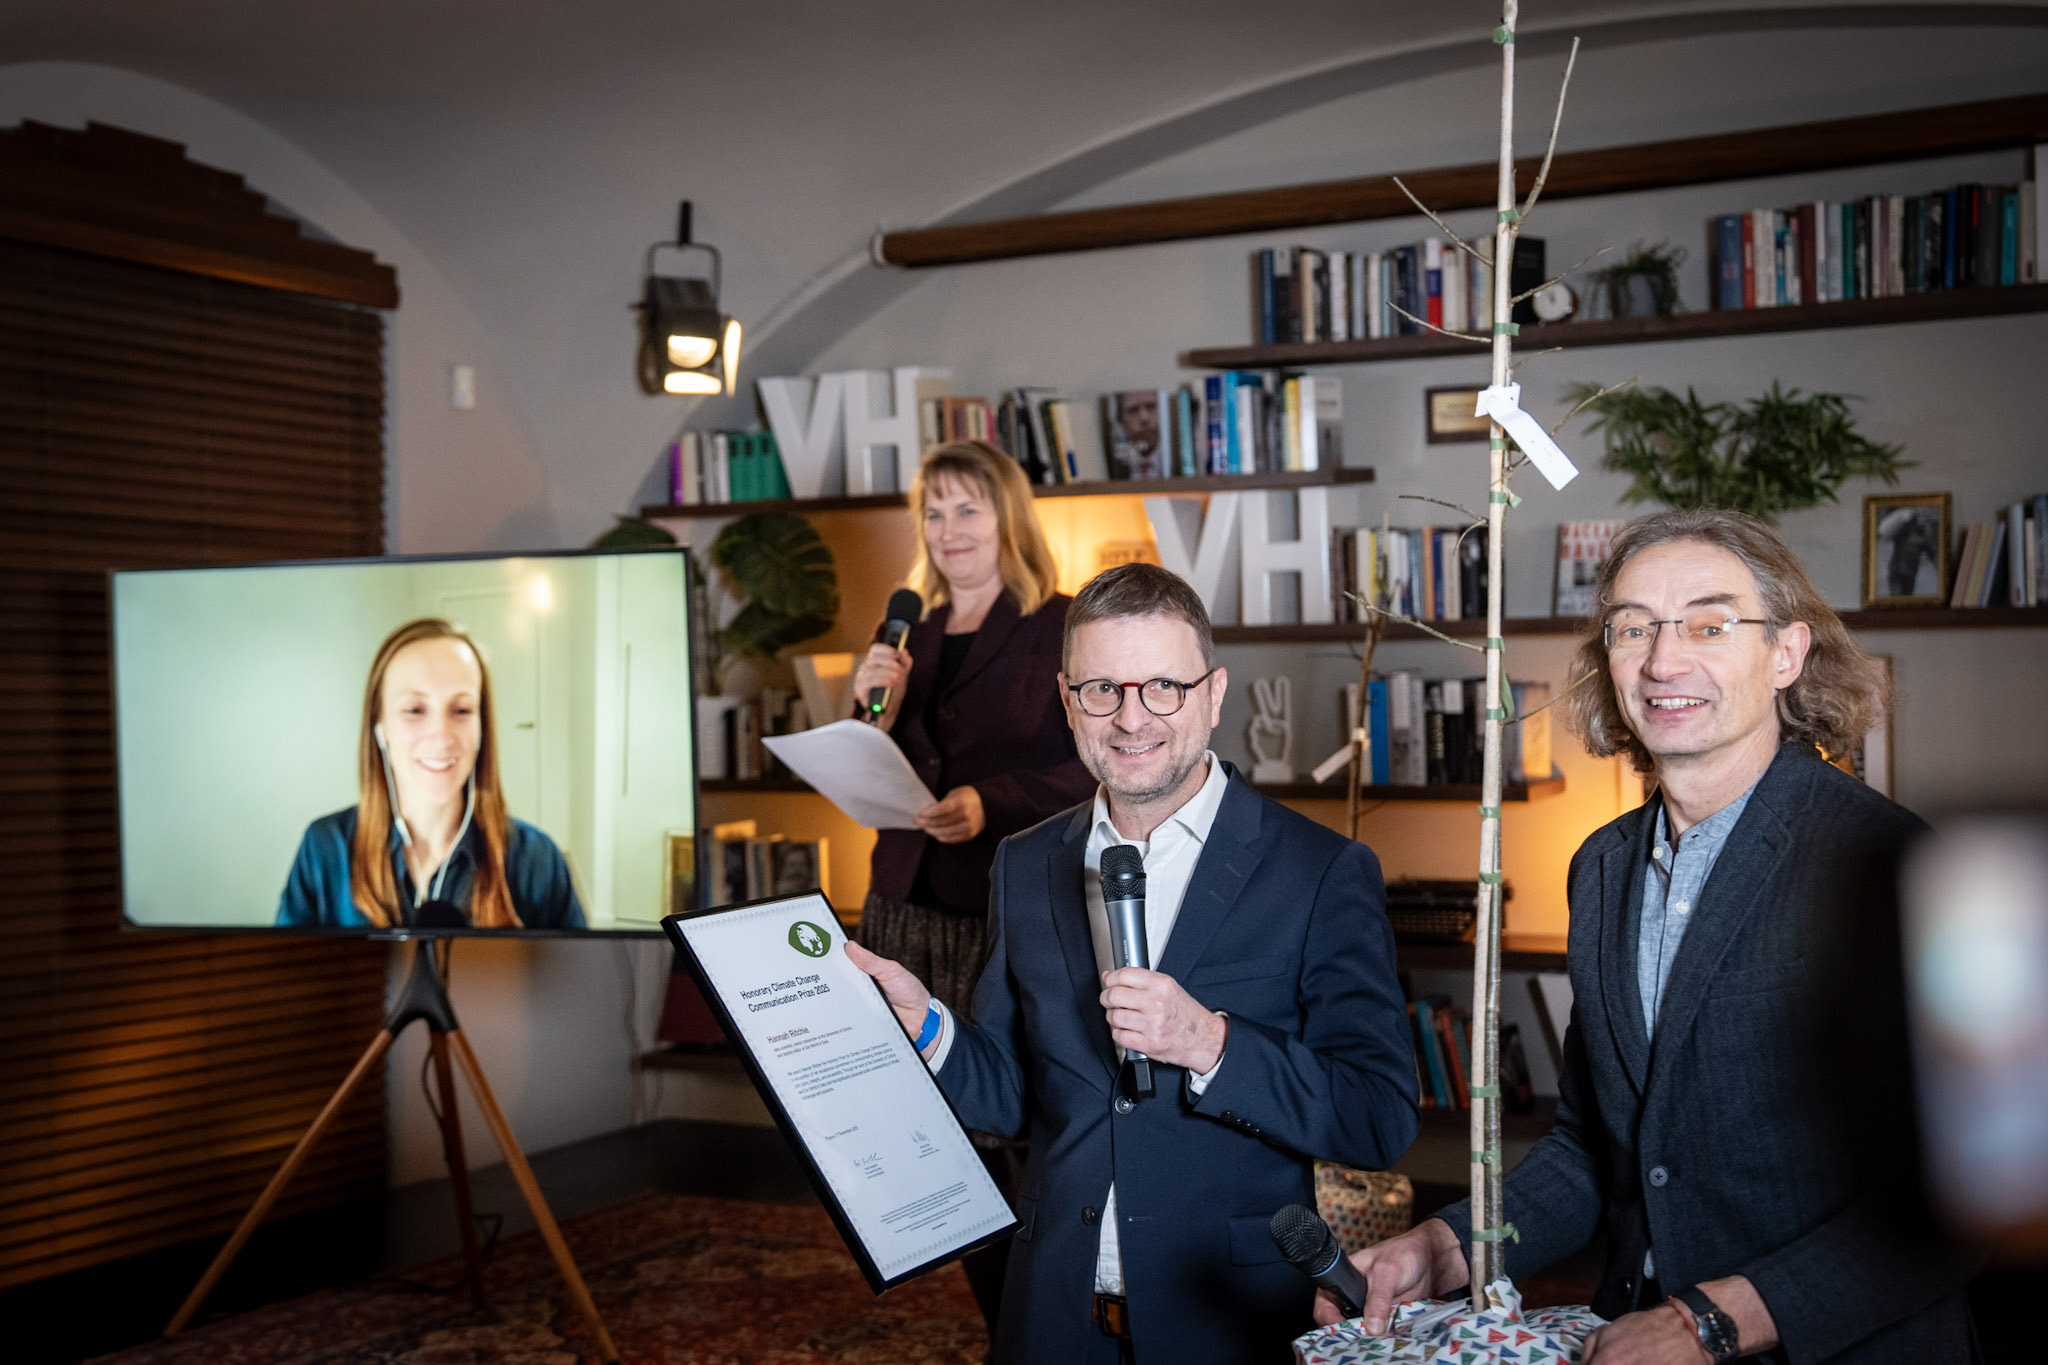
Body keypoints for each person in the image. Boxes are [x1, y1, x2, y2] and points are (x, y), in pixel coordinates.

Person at [1318, 509, 1978, 1362]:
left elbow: (1963, 1193)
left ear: (1786, 653)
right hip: (1630, 1336)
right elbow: (1593, 1149)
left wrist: (1710, 1321)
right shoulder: (1601, 867)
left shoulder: (1889, 860)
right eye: (1634, 628)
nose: (1664, 661)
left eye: (1709, 625)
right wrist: (1449, 1247)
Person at [849, 563, 1419, 1365]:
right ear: (1066, 700)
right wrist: (929, 1028)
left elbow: (1378, 1115)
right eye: (1101, 690)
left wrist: (1211, 1043)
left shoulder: (1319, 870)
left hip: (1226, 1326)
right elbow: (1015, 1095)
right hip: (1052, 1319)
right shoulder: (1024, 861)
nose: (1130, 717)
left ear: (1214, 694)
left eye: (1163, 687)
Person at [852, 439, 1095, 1011]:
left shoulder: (1066, 625)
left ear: (1008, 518)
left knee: (987, 1061)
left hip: (1005, 903)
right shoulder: (904, 631)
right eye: (934, 514)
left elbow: (1102, 765)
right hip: (898, 901)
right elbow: (864, 762)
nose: (948, 531)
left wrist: (991, 801)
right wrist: (876, 714)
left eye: (967, 510)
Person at [276, 617, 584, 930]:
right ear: (380, 727)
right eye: (414, 710)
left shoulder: (537, 860)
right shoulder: (325, 850)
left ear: (482, 727)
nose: (441, 736)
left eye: (461, 710)